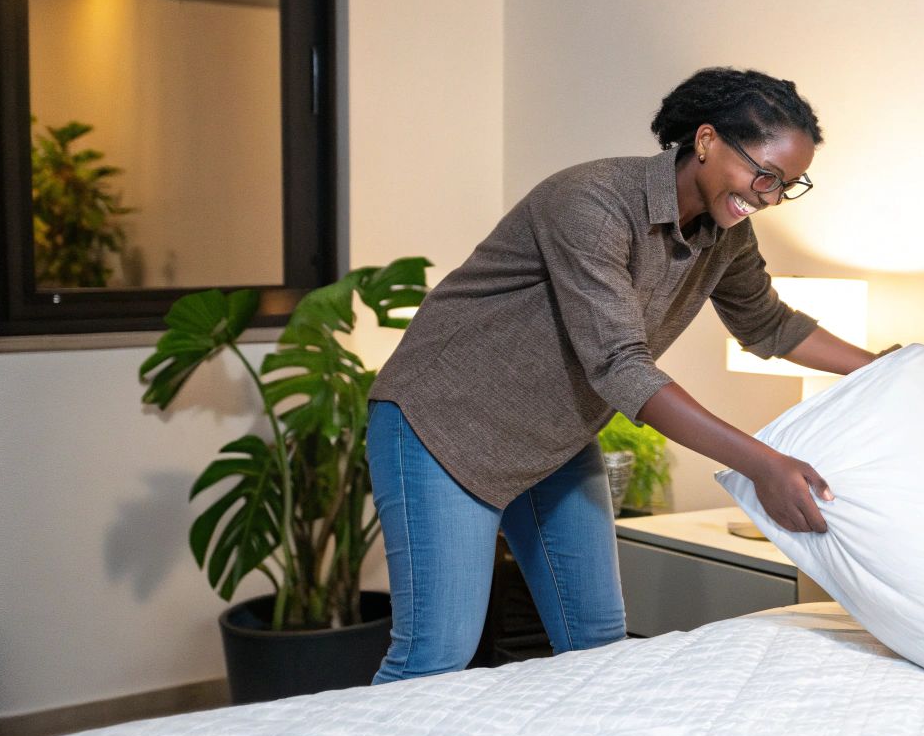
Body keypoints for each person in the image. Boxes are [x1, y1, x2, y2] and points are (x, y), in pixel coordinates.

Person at [363, 67, 882, 683]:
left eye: (787, 187)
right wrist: (762, 463)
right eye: (763, 176)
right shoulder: (592, 202)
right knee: (435, 656)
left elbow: (768, 325)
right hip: (443, 424)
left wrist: (889, 369)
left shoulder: (727, 235)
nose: (767, 198)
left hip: (552, 443)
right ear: (707, 140)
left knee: (599, 646)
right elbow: (619, 365)